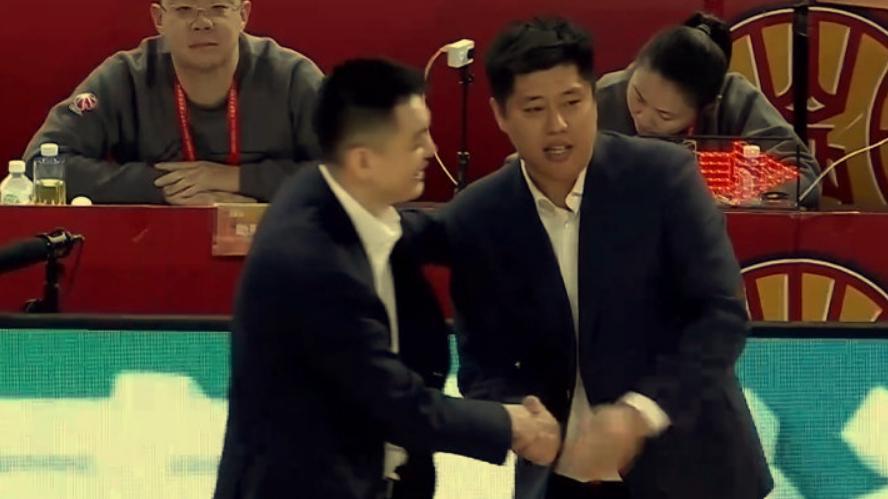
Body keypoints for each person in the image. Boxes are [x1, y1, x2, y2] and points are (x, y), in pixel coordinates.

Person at [436, 17, 773, 499]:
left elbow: (721, 316)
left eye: (572, 102)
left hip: (693, 474)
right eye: (534, 108)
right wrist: (515, 415)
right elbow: (481, 363)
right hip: (559, 477)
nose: (557, 125)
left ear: (595, 98)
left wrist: (639, 413)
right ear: (501, 115)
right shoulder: (479, 216)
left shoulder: (664, 179)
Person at [212, 58, 560, 499]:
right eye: (416, 140)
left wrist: (521, 185)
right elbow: (395, 403)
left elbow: (432, 231)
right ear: (363, 160)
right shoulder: (311, 265)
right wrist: (512, 425)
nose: (431, 149)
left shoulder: (335, 193)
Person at [23, 0, 322, 205]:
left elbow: (345, 172)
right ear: (159, 19)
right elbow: (38, 165)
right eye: (184, 9)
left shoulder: (293, 76)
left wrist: (238, 179)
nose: (202, 23)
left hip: (276, 246)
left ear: (243, 14)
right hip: (151, 246)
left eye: (218, 8)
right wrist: (160, 186)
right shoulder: (126, 76)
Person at [596, 12, 821, 208]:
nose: (644, 119)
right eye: (638, 97)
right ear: (633, 67)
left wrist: (744, 195)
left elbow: (804, 175)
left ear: (707, 108)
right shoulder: (603, 97)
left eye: (664, 115)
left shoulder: (735, 100)